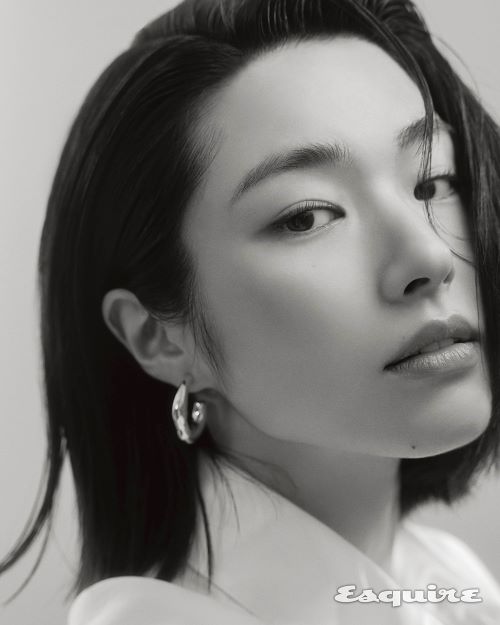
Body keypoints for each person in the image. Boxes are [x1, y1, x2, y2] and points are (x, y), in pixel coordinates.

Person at [2, 0, 500, 623]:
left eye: (433, 183)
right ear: (159, 336)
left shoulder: (448, 584)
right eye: (306, 217)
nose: (429, 256)